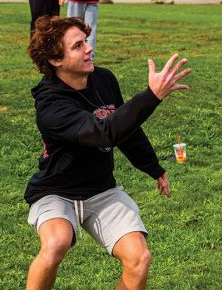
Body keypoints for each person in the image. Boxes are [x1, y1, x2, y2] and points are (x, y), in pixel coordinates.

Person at [24, 15, 191, 290]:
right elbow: (103, 132)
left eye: (86, 41)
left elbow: (125, 128)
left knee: (139, 258)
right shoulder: (50, 105)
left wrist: (154, 167)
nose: (89, 48)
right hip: (56, 191)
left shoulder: (103, 79)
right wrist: (152, 96)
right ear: (56, 60)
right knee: (56, 244)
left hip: (101, 190)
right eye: (78, 46)